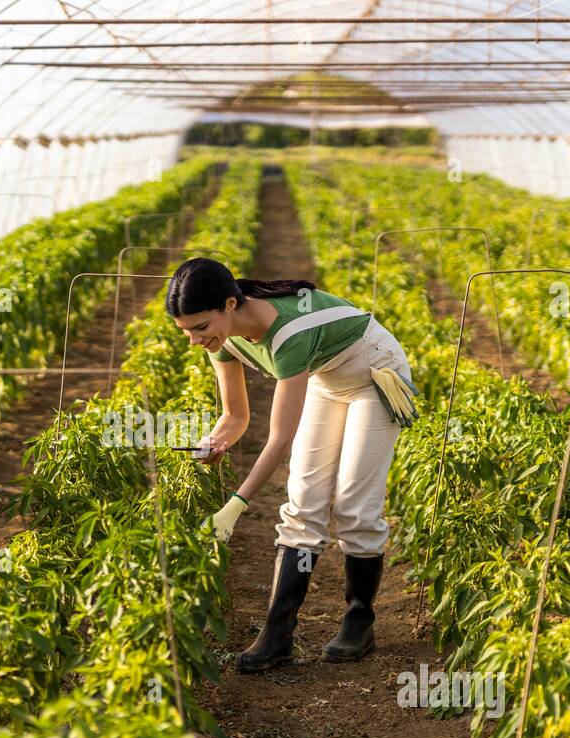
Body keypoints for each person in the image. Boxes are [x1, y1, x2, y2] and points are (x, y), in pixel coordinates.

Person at [165, 258, 418, 673]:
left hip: (373, 371)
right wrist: (209, 444)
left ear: (229, 304)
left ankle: (359, 622)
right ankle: (277, 634)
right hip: (326, 378)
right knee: (304, 502)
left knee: (354, 500)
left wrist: (236, 503)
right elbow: (236, 418)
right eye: (186, 331)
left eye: (200, 327)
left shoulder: (288, 332)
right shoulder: (223, 341)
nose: (194, 340)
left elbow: (279, 438)